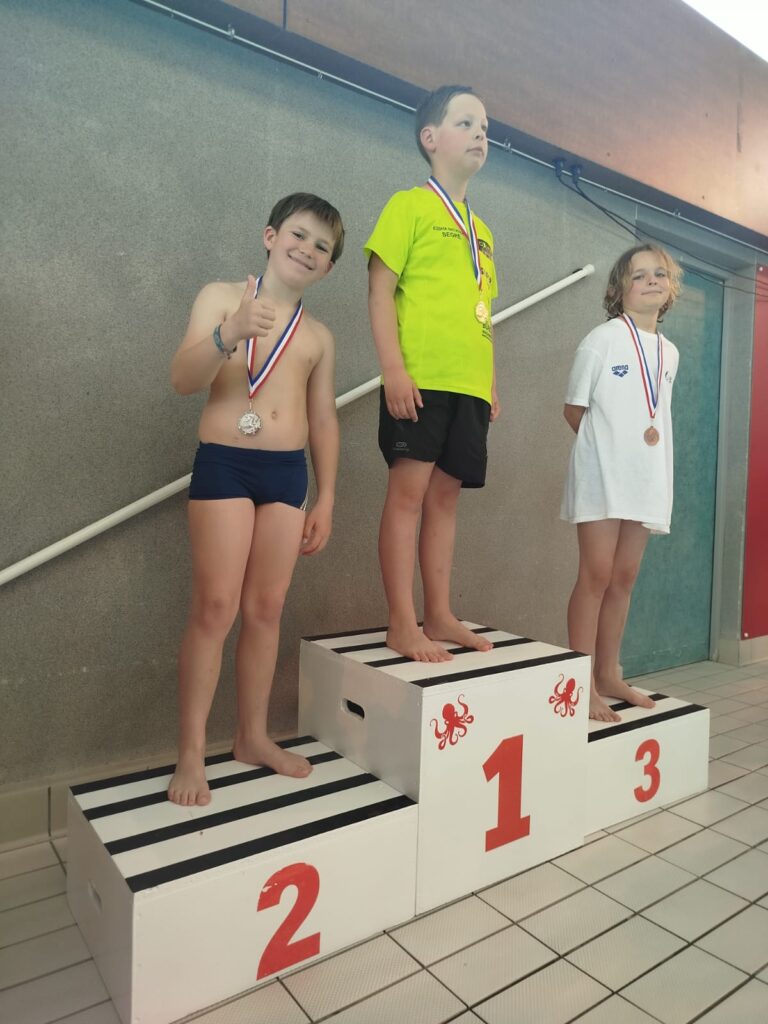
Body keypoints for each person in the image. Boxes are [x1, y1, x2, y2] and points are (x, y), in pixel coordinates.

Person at [167, 193, 343, 805]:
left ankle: (252, 736)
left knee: (266, 608)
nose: (307, 249)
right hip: (226, 464)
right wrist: (229, 333)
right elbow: (182, 380)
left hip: (286, 475)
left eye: (322, 246)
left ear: (328, 267)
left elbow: (324, 421)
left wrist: (326, 496)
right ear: (270, 236)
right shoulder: (221, 298)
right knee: (216, 607)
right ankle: (191, 752)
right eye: (298, 234)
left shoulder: (317, 336)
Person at [365, 84, 500, 663]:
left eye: (485, 127)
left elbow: (482, 310)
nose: (480, 134)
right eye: (465, 123)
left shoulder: (483, 231)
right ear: (430, 137)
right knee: (409, 496)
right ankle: (402, 622)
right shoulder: (408, 206)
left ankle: (439, 613)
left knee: (446, 500)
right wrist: (392, 368)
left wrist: (488, 382)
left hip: (469, 385)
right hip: (419, 380)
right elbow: (380, 291)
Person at [562, 244, 683, 721]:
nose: (652, 281)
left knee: (624, 577)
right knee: (595, 574)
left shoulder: (670, 352)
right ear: (618, 290)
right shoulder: (602, 339)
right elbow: (574, 410)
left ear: (671, 288)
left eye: (660, 274)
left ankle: (609, 673)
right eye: (639, 275)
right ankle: (582, 685)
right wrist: (607, 454)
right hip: (602, 477)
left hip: (646, 478)